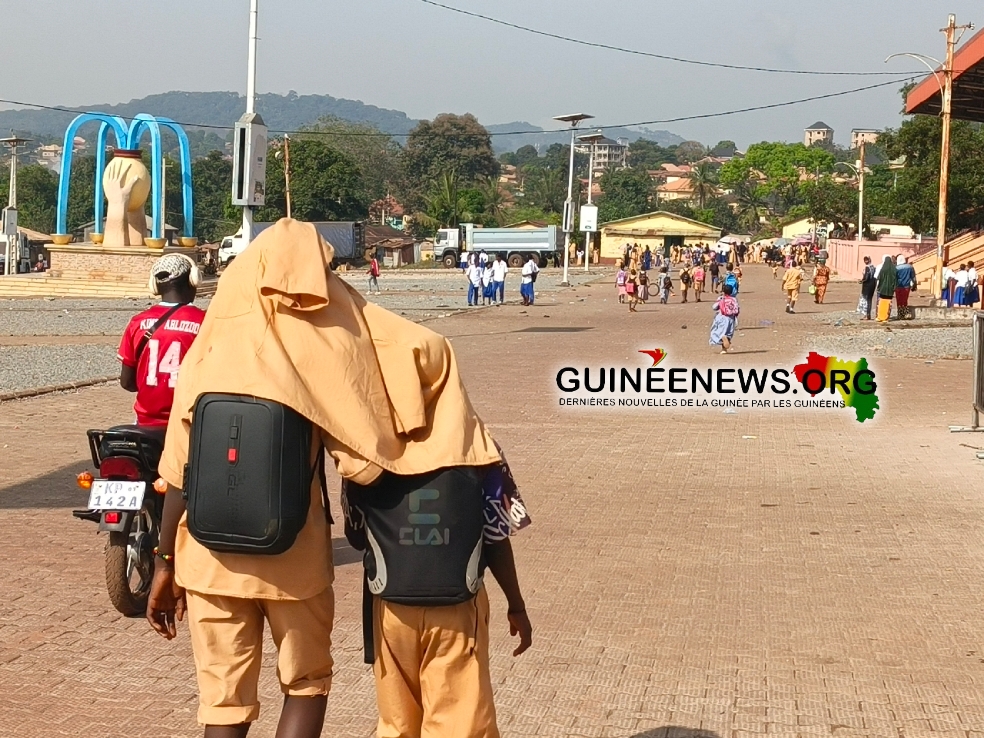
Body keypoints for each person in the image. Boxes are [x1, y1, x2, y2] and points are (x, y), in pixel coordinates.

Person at [146, 219, 511, 738]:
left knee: (223, 702)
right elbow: (366, 453)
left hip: (208, 560)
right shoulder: (328, 346)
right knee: (306, 684)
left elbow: (177, 473)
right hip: (294, 556)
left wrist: (164, 565)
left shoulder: (210, 348)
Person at [117, 254, 206, 428]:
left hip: (145, 423)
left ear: (156, 285)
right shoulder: (205, 321)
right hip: (188, 423)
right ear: (193, 280)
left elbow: (126, 382)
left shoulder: (137, 322)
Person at [709, 284, 740, 354]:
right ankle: (724, 349)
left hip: (721, 317)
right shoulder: (734, 299)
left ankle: (722, 337)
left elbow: (714, 307)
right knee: (728, 333)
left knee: (717, 332)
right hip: (731, 318)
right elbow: (737, 309)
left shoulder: (721, 298)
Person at [875, 254, 897, 322]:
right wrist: (894, 288)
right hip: (890, 290)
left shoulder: (883, 269)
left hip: (882, 289)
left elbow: (879, 278)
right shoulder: (894, 269)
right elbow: (896, 280)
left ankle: (880, 316)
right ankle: (886, 317)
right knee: (888, 303)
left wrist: (878, 287)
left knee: (881, 303)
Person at [895, 255, 916, 319]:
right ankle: (905, 314)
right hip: (907, 286)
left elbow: (894, 278)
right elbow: (913, 277)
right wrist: (914, 285)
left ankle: (900, 315)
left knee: (899, 300)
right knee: (904, 300)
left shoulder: (896, 268)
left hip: (898, 286)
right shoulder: (910, 267)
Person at [858, 256, 877, 320]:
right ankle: (868, 314)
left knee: (865, 300)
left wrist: (862, 281)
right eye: (865, 260)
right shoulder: (873, 267)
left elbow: (866, 277)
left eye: (866, 260)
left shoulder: (867, 268)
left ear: (868, 260)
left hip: (867, 286)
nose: (865, 261)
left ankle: (866, 315)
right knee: (869, 300)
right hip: (872, 285)